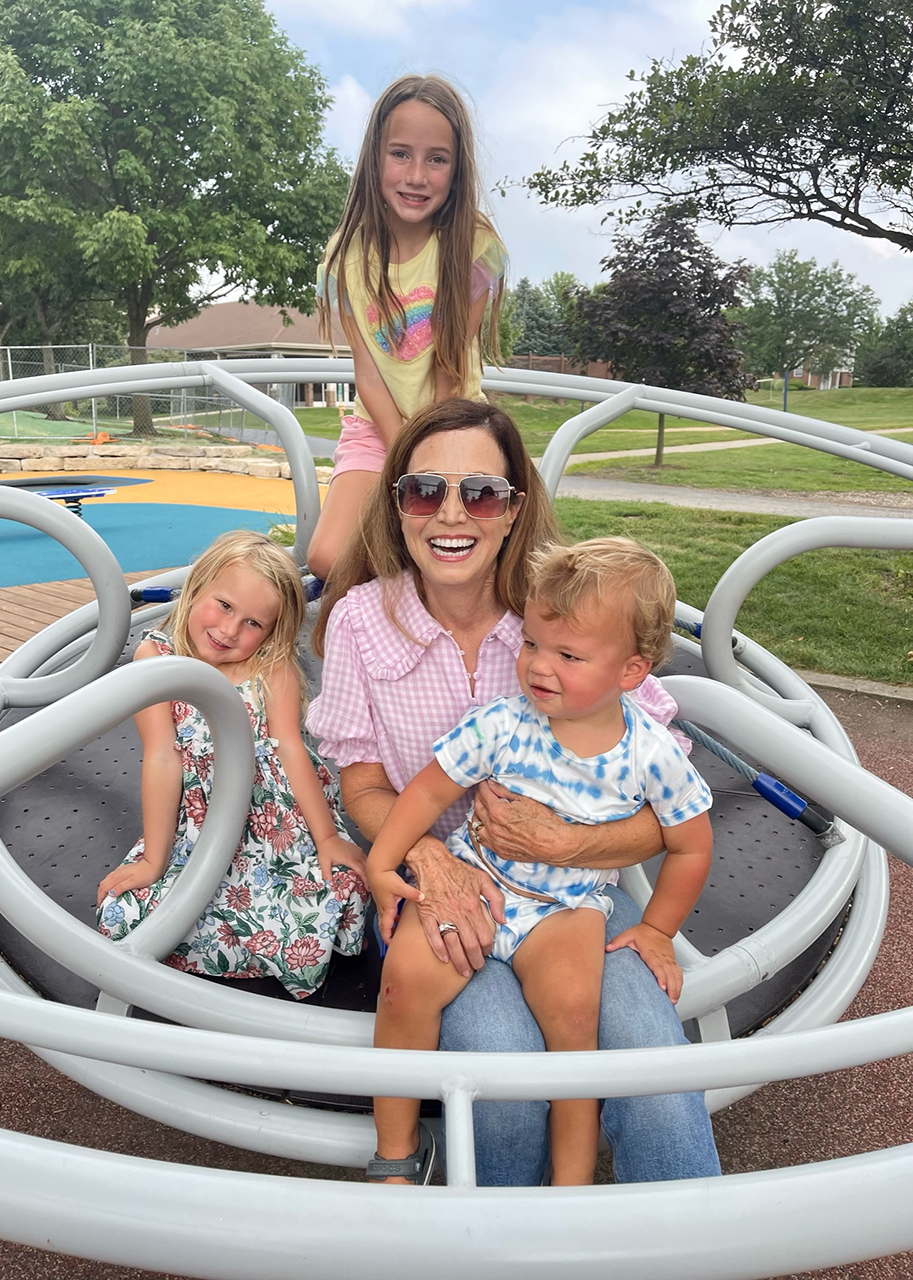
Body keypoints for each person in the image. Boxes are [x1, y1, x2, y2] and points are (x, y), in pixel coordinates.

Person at [308, 397, 722, 1185]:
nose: (451, 513)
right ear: (395, 505)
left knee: (654, 1063)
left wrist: (570, 844)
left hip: (571, 893)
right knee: (501, 1062)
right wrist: (425, 855)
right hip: (443, 878)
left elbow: (667, 804)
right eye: (425, 490)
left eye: (481, 493)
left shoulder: (562, 612)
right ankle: (507, 1240)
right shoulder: (363, 619)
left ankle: (680, 1236)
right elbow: (360, 782)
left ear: (512, 511)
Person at [365, 539, 714, 1184]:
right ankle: (395, 1154)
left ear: (631, 671)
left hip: (567, 908)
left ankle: (570, 1186)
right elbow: (429, 790)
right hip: (478, 882)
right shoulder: (503, 723)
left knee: (574, 1031)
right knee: (404, 984)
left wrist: (659, 931)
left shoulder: (652, 753)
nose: (539, 666)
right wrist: (384, 863)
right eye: (531, 645)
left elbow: (692, 842)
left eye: (568, 655)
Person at [96, 531, 369, 999]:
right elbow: (162, 758)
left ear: (271, 632)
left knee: (339, 892)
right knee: (126, 911)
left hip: (274, 828)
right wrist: (153, 859)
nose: (229, 631)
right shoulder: (156, 658)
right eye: (223, 605)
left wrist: (326, 837)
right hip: (200, 829)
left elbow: (289, 750)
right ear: (197, 585)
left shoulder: (270, 666)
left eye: (252, 623)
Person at [307, 74, 506, 580]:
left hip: (456, 422)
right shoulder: (343, 258)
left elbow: (451, 370)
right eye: (400, 153)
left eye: (436, 159)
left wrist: (431, 464)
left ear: (456, 170)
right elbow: (369, 378)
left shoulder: (472, 245)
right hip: (379, 430)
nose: (417, 175)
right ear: (375, 158)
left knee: (482, 555)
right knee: (328, 557)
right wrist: (406, 461)